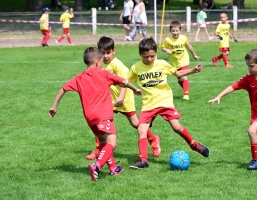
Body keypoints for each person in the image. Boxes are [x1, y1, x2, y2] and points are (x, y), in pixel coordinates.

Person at [48, 47, 142, 181]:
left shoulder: (79, 77)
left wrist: (54, 107)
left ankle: (114, 168)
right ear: (98, 61)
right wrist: (136, 89)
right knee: (112, 144)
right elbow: (125, 82)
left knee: (103, 142)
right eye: (102, 60)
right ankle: (97, 166)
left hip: (89, 117)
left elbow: (62, 89)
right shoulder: (104, 73)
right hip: (103, 115)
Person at [128, 38, 210, 169]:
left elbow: (177, 73)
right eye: (146, 57)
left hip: (164, 101)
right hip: (148, 105)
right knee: (141, 130)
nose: (149, 59)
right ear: (140, 54)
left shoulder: (162, 64)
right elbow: (126, 81)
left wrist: (193, 70)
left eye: (152, 56)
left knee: (177, 128)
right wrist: (134, 89)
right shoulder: (135, 68)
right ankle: (144, 160)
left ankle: (194, 144)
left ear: (156, 53)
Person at [85, 36, 161, 160]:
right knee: (100, 123)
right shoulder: (99, 65)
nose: (105, 56)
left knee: (135, 123)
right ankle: (99, 149)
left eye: (108, 53)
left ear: (114, 51)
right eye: (103, 53)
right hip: (109, 99)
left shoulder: (117, 64)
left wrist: (121, 97)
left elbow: (125, 82)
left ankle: (153, 140)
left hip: (124, 97)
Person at [162, 21, 200, 100]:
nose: (175, 33)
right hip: (174, 61)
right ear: (170, 31)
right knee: (179, 79)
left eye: (176, 31)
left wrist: (194, 55)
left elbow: (189, 47)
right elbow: (163, 47)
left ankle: (186, 94)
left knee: (184, 77)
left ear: (180, 31)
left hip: (184, 60)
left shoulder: (183, 38)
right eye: (173, 31)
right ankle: (185, 90)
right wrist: (166, 50)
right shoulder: (168, 40)